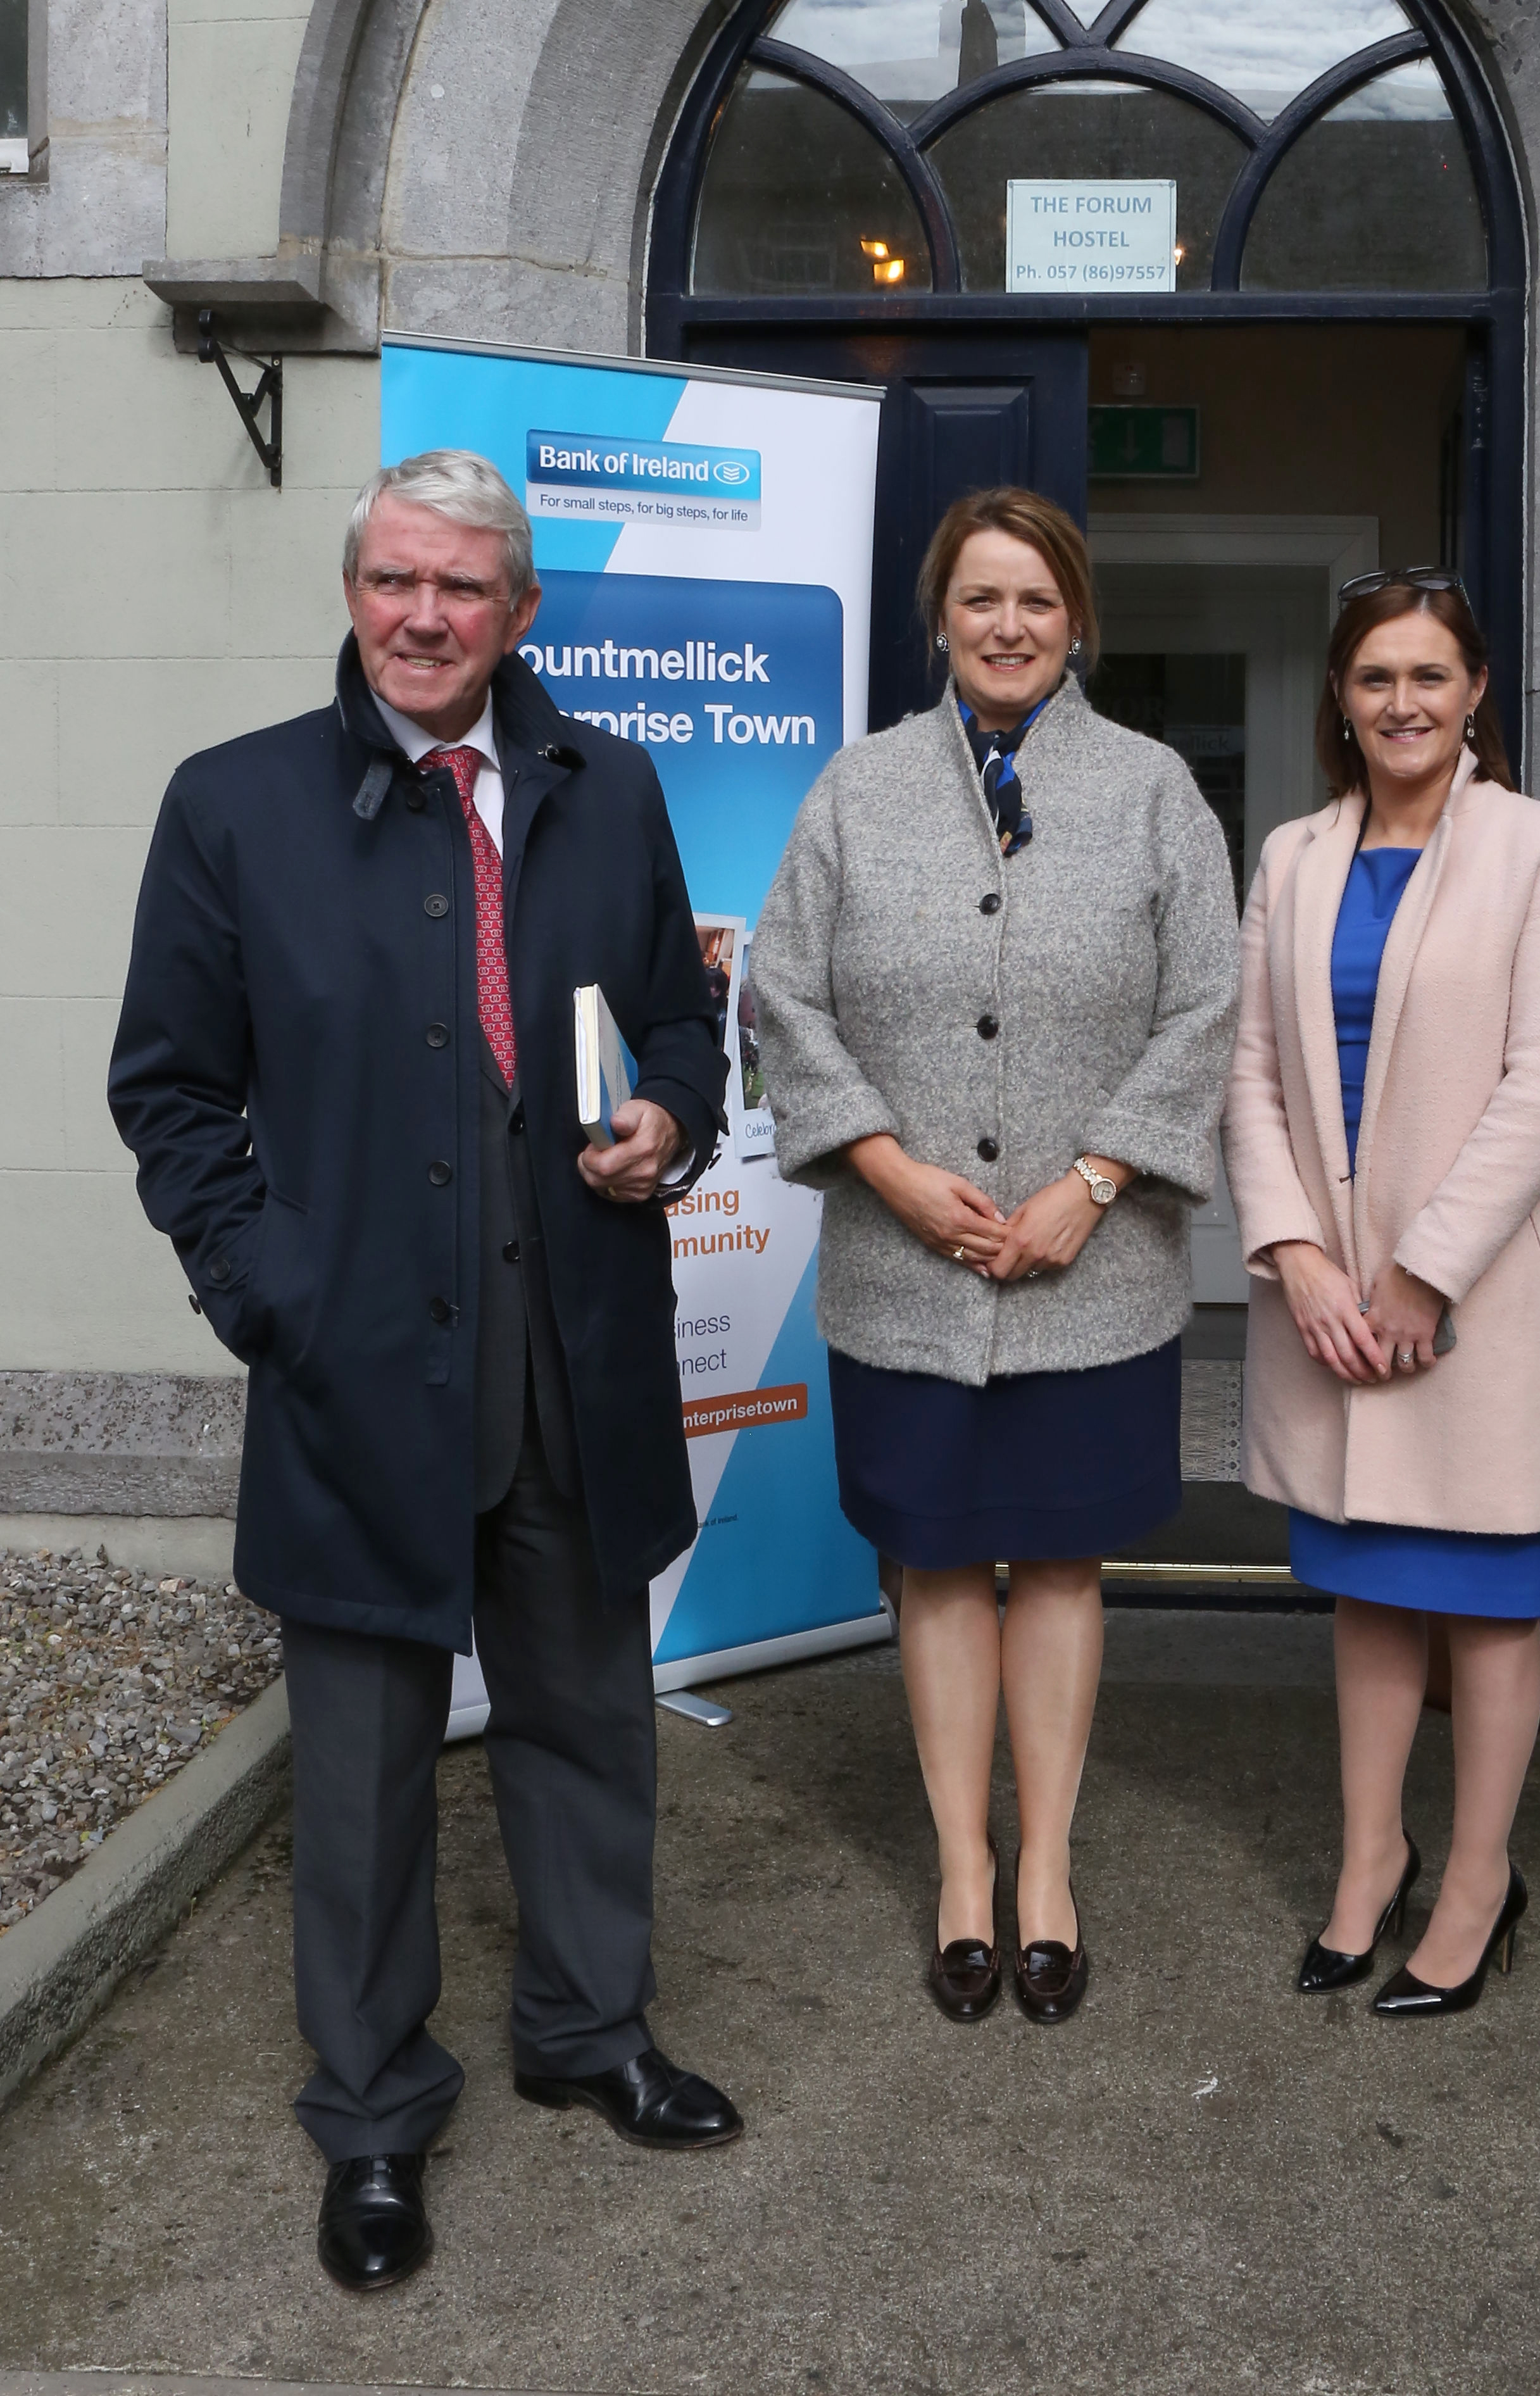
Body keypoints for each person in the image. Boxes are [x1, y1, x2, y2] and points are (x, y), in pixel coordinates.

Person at [108, 452, 739, 2299]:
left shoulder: (607, 790)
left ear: (521, 610)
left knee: (587, 1717)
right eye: (394, 579)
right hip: (358, 1373)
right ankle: (374, 2112)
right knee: (368, 1768)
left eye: (464, 587)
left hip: (573, 1345)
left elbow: (688, 1019)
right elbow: (168, 1091)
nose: (423, 615)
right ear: (356, 583)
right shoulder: (233, 807)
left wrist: (671, 1115)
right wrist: (272, 1292)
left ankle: (586, 2023)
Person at [753, 486, 1237, 2026]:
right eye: (979, 600)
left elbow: (1206, 1008)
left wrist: (1092, 1182)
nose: (1008, 626)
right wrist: (890, 1175)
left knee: (1061, 1562)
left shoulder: (1156, 789)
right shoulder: (857, 787)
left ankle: (1048, 1872)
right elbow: (783, 994)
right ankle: (964, 1867)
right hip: (906, 1271)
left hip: (1094, 1273)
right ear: (938, 619)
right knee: (940, 1558)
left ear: (1075, 618)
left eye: (1035, 600)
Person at [1223, 573, 1540, 2016]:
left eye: (1429, 678)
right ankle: (1365, 1859)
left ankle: (1474, 1879)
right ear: (1338, 696)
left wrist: (1418, 1271)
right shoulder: (1291, 856)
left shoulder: (1538, 848)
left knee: (1488, 1598)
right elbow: (1247, 1071)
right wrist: (1298, 1257)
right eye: (1375, 677)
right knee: (1365, 1593)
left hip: (1475, 1300)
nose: (1402, 703)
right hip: (1324, 1306)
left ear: (1474, 695)